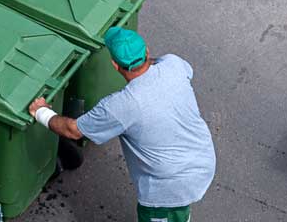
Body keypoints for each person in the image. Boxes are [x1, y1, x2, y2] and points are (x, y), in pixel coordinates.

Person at [29, 27, 215, 222]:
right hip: (202, 157)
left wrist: (41, 111)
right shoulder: (173, 64)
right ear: (147, 51)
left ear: (115, 65)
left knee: (165, 215)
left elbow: (73, 130)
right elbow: (180, 74)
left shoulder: (120, 106)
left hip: (170, 187)